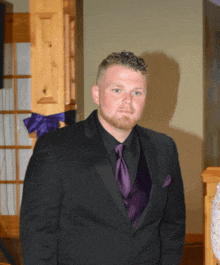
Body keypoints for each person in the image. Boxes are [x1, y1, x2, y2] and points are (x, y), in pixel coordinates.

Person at [20, 51, 186, 265]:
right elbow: (37, 232)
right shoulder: (55, 148)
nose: (128, 101)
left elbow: (172, 224)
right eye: (117, 90)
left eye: (137, 92)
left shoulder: (164, 148)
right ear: (97, 94)